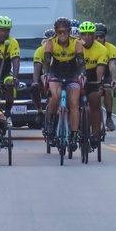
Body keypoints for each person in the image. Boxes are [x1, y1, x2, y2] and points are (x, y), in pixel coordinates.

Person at [42, 16, 85, 145]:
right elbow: (47, 61)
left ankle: (73, 134)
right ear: (56, 32)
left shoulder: (76, 43)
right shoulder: (50, 42)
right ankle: (51, 121)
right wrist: (45, 73)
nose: (62, 34)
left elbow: (81, 62)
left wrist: (82, 73)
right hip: (56, 73)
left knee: (74, 103)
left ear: (68, 31)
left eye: (64, 31)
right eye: (59, 32)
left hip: (72, 73)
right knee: (55, 96)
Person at [78, 21, 109, 145]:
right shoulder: (75, 46)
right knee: (72, 100)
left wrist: (98, 83)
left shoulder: (101, 49)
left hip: (94, 74)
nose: (87, 37)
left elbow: (100, 68)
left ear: (94, 35)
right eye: (84, 34)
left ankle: (95, 134)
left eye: (90, 34)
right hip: (79, 73)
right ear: (80, 35)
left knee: (94, 100)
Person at [95, 23, 116, 131]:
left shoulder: (111, 48)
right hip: (92, 73)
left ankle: (109, 118)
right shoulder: (88, 47)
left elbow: (112, 65)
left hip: (106, 73)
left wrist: (114, 79)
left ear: (105, 36)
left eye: (101, 36)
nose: (99, 39)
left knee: (107, 90)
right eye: (96, 36)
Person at [31, 27, 54, 127]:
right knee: (34, 88)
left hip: (56, 73)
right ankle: (39, 111)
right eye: (46, 41)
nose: (48, 44)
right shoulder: (39, 51)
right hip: (43, 74)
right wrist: (35, 82)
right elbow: (37, 68)